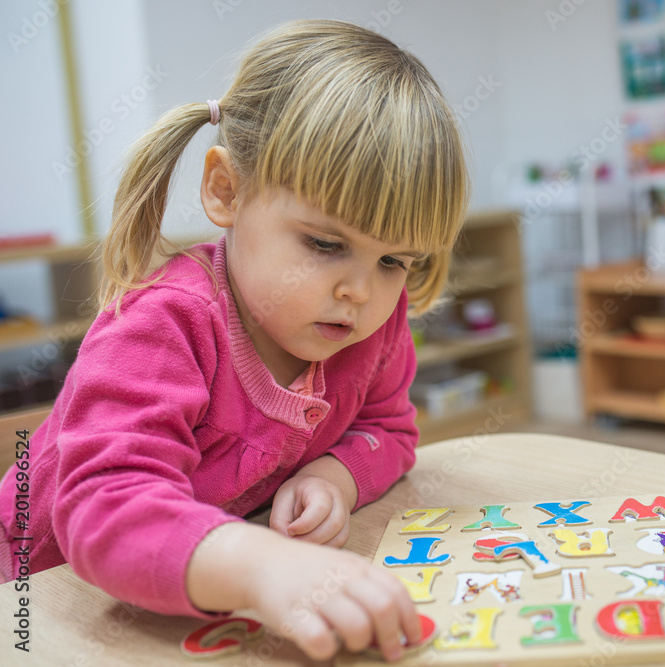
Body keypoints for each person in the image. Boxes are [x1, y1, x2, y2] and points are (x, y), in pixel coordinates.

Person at [0, 19, 468, 662]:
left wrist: (335, 477)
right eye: (326, 245)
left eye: (395, 261)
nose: (360, 292)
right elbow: (107, 508)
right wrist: (263, 567)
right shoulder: (163, 324)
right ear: (226, 191)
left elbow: (389, 430)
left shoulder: (376, 324)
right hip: (37, 601)